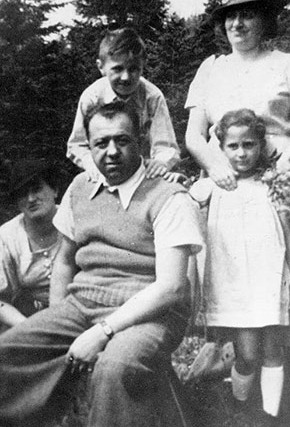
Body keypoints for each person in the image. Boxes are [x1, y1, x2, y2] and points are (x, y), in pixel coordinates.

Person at [0, 100, 203, 427]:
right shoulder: (80, 188)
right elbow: (65, 260)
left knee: (115, 369)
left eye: (121, 140)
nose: (111, 151)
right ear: (89, 146)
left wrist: (103, 331)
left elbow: (171, 288)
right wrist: (58, 318)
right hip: (84, 303)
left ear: (140, 139)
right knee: (8, 352)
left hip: (151, 311)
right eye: (100, 143)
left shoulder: (169, 197)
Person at [185, 0, 290, 426]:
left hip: (279, 183)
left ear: (266, 20)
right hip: (227, 182)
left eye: (248, 15)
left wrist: (284, 159)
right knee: (236, 282)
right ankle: (243, 392)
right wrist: (215, 166)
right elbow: (194, 133)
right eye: (230, 16)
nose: (238, 23)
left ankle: (288, 398)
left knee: (288, 280)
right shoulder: (212, 69)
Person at [190, 109, 290, 425]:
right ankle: (239, 404)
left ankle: (269, 413)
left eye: (249, 144)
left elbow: (287, 238)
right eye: (233, 146)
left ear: (260, 146)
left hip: (270, 279)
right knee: (248, 354)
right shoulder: (214, 185)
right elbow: (181, 199)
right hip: (235, 284)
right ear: (221, 150)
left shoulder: (271, 185)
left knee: (273, 352)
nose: (242, 153)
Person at [67, 27, 180, 181]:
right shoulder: (92, 97)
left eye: (133, 69)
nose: (126, 77)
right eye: (117, 69)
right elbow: (77, 144)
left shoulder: (152, 96)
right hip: (104, 170)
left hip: (143, 172)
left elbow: (165, 145)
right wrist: (93, 165)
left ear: (143, 66)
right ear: (101, 67)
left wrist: (160, 162)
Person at [0, 159, 62, 328]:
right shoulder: (7, 236)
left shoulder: (74, 220)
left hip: (79, 310)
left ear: (55, 190)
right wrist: (29, 329)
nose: (31, 199)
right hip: (27, 317)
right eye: (22, 194)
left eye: (37, 189)